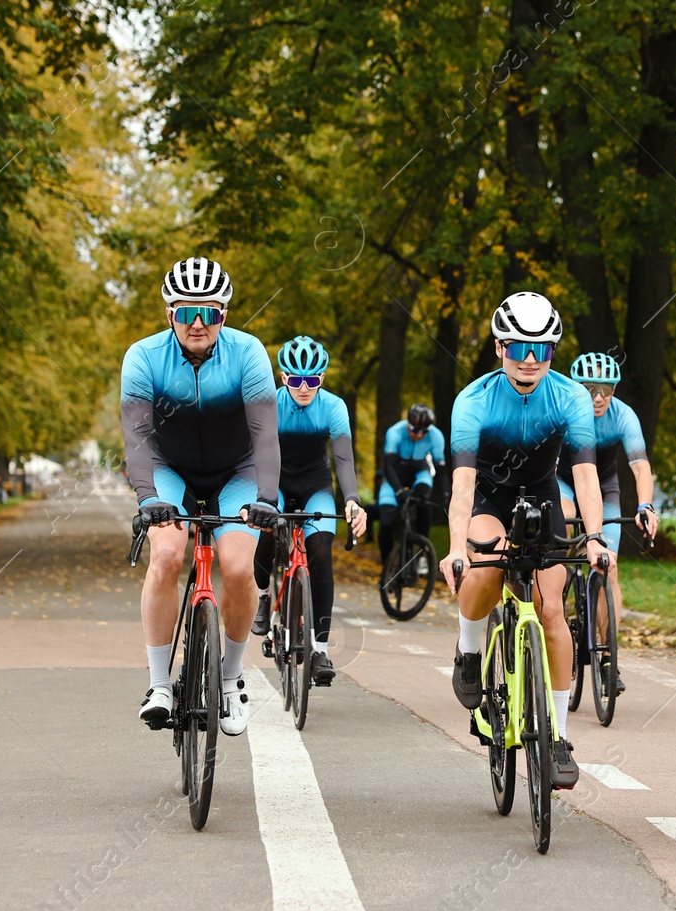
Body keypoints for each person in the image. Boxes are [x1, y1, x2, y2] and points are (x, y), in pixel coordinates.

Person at [439, 292, 608, 790]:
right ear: (498, 348)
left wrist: (595, 537)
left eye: (542, 350)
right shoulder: (472, 401)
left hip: (541, 495)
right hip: (488, 499)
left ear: (554, 351)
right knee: (488, 570)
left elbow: (585, 476)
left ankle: (556, 736)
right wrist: (454, 549)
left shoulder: (571, 397)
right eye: (517, 348)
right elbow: (463, 487)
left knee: (551, 608)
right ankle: (471, 650)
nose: (530, 360)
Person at [121, 257, 281, 737]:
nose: (197, 323)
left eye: (209, 313)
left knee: (236, 566)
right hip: (171, 472)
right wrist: (149, 497)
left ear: (224, 317)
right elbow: (138, 437)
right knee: (167, 555)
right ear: (169, 313)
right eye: (186, 312)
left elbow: (265, 433)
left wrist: (267, 498)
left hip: (238, 470)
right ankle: (159, 686)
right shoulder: (144, 356)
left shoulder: (248, 353)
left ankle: (231, 681)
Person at [252, 336, 369, 686]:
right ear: (284, 377)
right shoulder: (269, 403)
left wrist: (352, 499)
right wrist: (261, 496)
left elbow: (344, 458)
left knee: (320, 553)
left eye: (313, 381)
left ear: (322, 379)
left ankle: (319, 649)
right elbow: (256, 451)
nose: (305, 388)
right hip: (277, 481)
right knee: (268, 532)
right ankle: (262, 597)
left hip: (315, 484)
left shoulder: (333, 407)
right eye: (296, 380)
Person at [556, 352, 658, 695]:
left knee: (607, 567)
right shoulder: (564, 408)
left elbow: (641, 465)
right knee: (567, 516)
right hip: (563, 482)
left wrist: (646, 505)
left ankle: (608, 660)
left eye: (606, 389)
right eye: (589, 388)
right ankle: (561, 587)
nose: (598, 397)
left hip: (604, 487)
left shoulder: (623, 415)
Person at [377, 403, 447, 570]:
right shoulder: (395, 432)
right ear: (408, 424)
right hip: (395, 473)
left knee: (423, 502)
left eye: (424, 432)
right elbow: (388, 467)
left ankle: (422, 554)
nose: (418, 435)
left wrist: (446, 495)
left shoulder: (436, 436)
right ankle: (387, 565)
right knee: (386, 522)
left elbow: (441, 470)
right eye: (414, 430)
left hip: (419, 472)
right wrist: (399, 491)